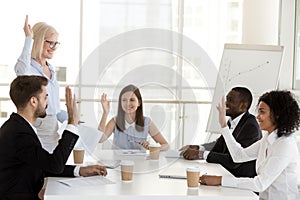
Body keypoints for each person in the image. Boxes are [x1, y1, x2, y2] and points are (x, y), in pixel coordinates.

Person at [0, 76, 107, 200]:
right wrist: (72, 122)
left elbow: (45, 164)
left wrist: (80, 170)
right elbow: (54, 164)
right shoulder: (19, 134)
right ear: (33, 101)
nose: (47, 103)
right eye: (45, 97)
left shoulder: (18, 127)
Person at [200, 90, 300, 200]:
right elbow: (238, 156)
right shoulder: (267, 139)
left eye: (262, 112)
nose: (257, 117)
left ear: (277, 115)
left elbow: (260, 184)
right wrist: (224, 125)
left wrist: (219, 180)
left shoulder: (285, 145)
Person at [180, 87, 262, 178]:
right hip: (226, 175)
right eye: (226, 99)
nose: (226, 103)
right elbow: (219, 147)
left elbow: (234, 161)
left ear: (243, 106)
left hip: (240, 182)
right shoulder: (232, 121)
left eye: (230, 100)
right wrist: (199, 148)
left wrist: (199, 154)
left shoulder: (251, 127)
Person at [14, 15, 66, 152]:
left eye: (56, 43)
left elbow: (55, 108)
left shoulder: (51, 69)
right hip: (38, 127)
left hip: (53, 129)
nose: (54, 47)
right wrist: (28, 39)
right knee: (40, 167)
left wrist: (73, 118)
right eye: (50, 42)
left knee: (54, 168)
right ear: (38, 41)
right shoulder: (28, 68)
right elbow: (21, 71)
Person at [98, 84, 169, 151]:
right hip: (118, 163)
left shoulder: (147, 122)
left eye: (132, 100)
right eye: (124, 100)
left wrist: (151, 147)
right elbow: (100, 139)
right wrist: (105, 112)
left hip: (139, 163)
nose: (128, 103)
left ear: (139, 103)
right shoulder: (115, 121)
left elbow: (165, 145)